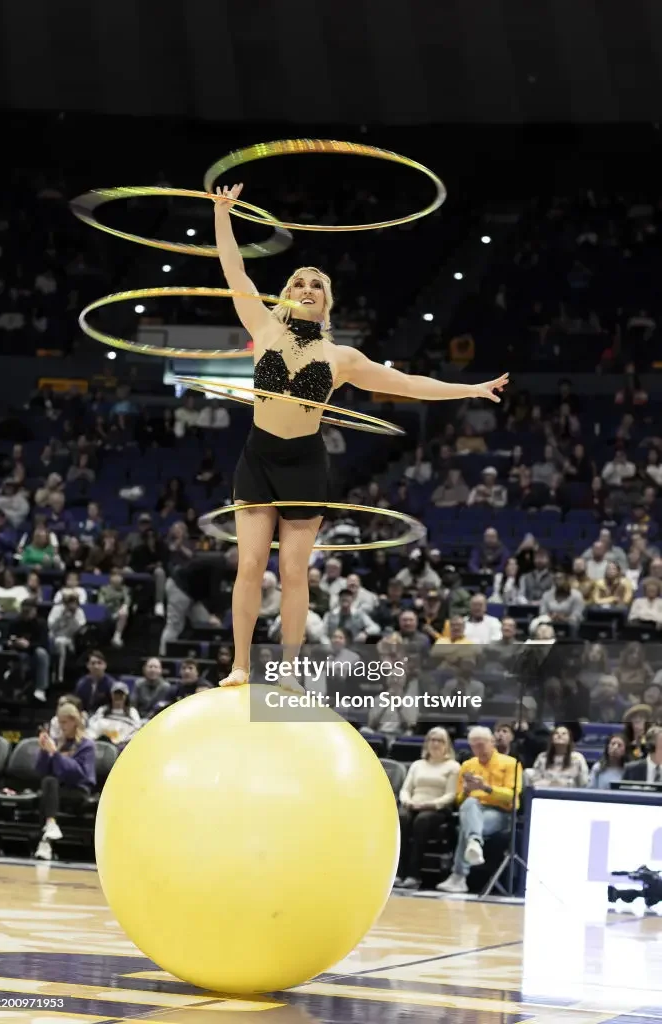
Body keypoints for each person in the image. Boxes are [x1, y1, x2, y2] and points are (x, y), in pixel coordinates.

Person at [211, 184, 509, 687]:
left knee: (292, 574)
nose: (306, 287)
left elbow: (408, 384)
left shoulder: (341, 358)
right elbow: (234, 270)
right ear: (286, 293)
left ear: (326, 302)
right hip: (258, 458)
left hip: (304, 463)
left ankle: (286, 670)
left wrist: (469, 387)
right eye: (299, 281)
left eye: (317, 285)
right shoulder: (261, 327)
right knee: (250, 565)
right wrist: (222, 215)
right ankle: (240, 665)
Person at [437, 725, 521, 894]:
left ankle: (459, 876)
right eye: (474, 745)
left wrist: (486, 788)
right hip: (473, 808)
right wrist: (467, 791)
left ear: (492, 742)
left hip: (501, 813)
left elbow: (513, 797)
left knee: (467, 826)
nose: (478, 749)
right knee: (469, 805)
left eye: (481, 744)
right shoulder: (468, 765)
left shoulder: (511, 763)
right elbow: (459, 800)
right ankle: (474, 842)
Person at [396, 727, 460, 889]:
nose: (435, 743)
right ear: (427, 743)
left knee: (422, 821)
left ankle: (413, 874)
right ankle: (398, 873)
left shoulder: (453, 766)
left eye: (440, 740)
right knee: (401, 817)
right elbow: (405, 789)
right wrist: (407, 801)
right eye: (432, 740)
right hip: (414, 804)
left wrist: (430, 804)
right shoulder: (417, 765)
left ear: (447, 745)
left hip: (437, 808)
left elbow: (450, 795)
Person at [35, 702, 96, 861]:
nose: (61, 726)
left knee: (48, 793)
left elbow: (78, 774)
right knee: (48, 783)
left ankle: (45, 842)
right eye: (59, 722)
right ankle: (50, 827)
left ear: (74, 721)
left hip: (78, 790)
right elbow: (41, 771)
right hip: (58, 790)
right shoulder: (60, 743)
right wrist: (43, 751)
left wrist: (55, 754)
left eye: (64, 722)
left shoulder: (87, 745)